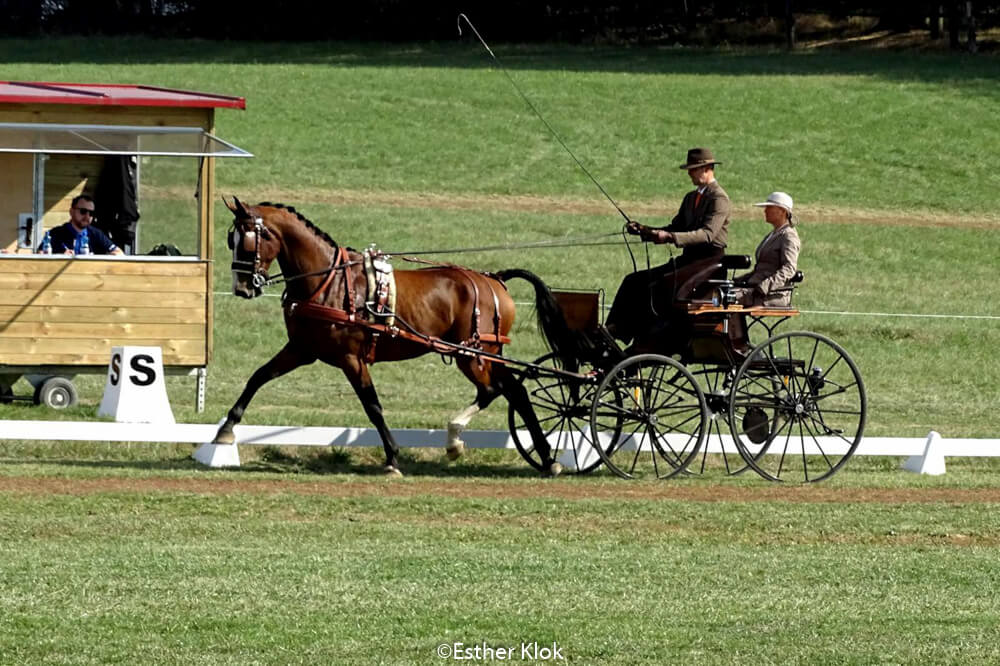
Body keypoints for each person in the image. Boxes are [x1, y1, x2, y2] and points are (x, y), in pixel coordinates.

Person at [605, 147, 730, 346]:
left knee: (657, 285)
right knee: (633, 280)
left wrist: (670, 237)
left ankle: (636, 335)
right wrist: (646, 231)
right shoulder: (690, 198)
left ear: (706, 168)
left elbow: (707, 234)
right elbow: (675, 227)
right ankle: (613, 329)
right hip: (688, 261)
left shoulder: (719, 199)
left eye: (693, 169)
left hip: (707, 264)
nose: (689, 173)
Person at [732, 191, 801, 307]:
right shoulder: (773, 235)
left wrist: (764, 287)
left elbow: (789, 268)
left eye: (769, 208)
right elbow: (761, 269)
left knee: (726, 299)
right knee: (721, 294)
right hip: (755, 290)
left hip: (774, 295)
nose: (765, 211)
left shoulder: (789, 236)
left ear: (783, 211)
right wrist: (737, 281)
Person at [37, 194, 123, 256]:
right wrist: (60, 257)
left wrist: (101, 259)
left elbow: (119, 253)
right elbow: (39, 255)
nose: (87, 216)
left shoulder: (96, 234)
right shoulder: (55, 233)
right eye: (83, 211)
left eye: (91, 213)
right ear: (71, 212)